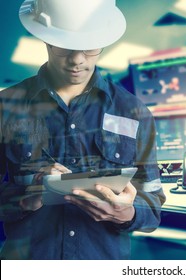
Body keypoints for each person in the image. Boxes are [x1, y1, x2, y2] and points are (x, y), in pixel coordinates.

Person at [0, 0, 165, 259]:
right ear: (46, 40)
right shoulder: (5, 107)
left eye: (89, 47)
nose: (77, 59)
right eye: (65, 46)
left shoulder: (134, 112)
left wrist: (128, 213)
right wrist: (25, 198)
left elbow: (153, 205)